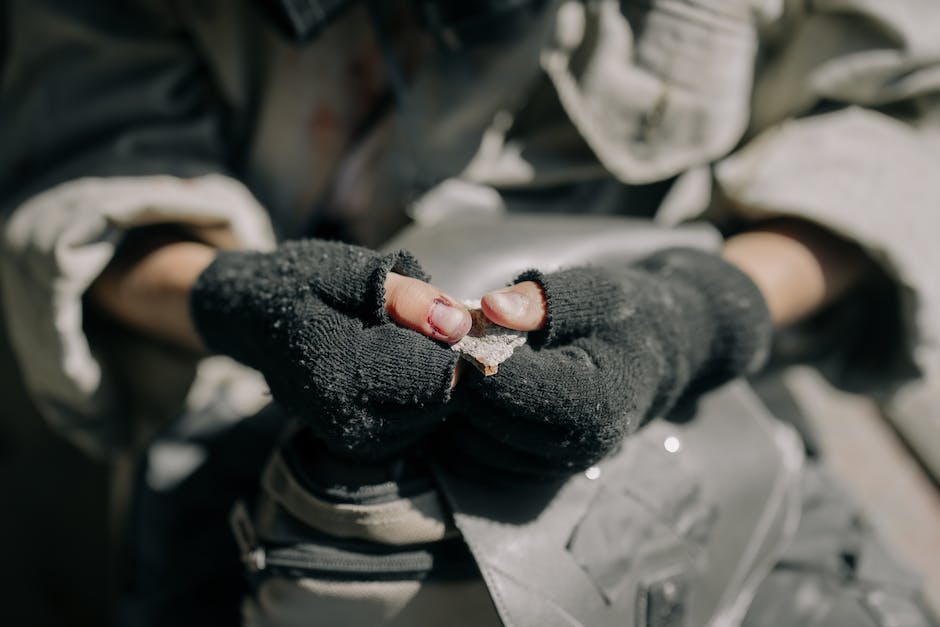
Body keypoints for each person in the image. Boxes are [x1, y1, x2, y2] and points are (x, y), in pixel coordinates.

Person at [1, 0, 939, 625]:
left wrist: (702, 312)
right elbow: (81, 169)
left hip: (677, 419)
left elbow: (901, 120)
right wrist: (232, 298)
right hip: (243, 439)